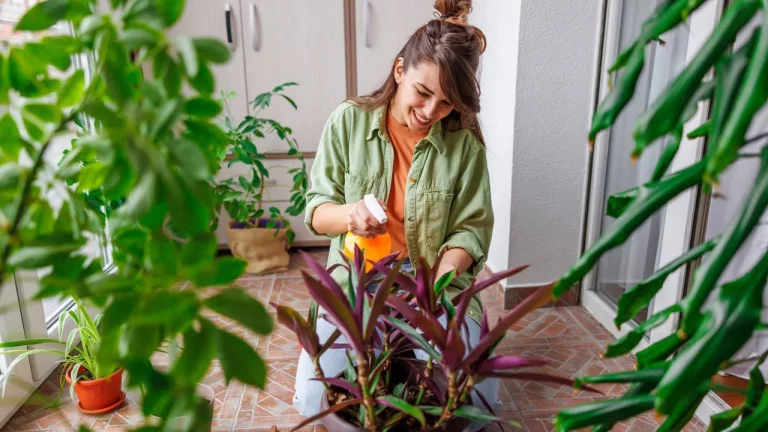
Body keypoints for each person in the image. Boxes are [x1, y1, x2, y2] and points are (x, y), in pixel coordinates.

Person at [295, 0, 498, 429]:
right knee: (315, 402)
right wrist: (351, 215)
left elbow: (471, 231)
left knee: (475, 404)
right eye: (423, 93)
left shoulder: (464, 147)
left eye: (446, 104)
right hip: (358, 284)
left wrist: (431, 290)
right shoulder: (349, 122)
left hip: (432, 285)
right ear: (400, 70)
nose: (429, 112)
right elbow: (316, 211)